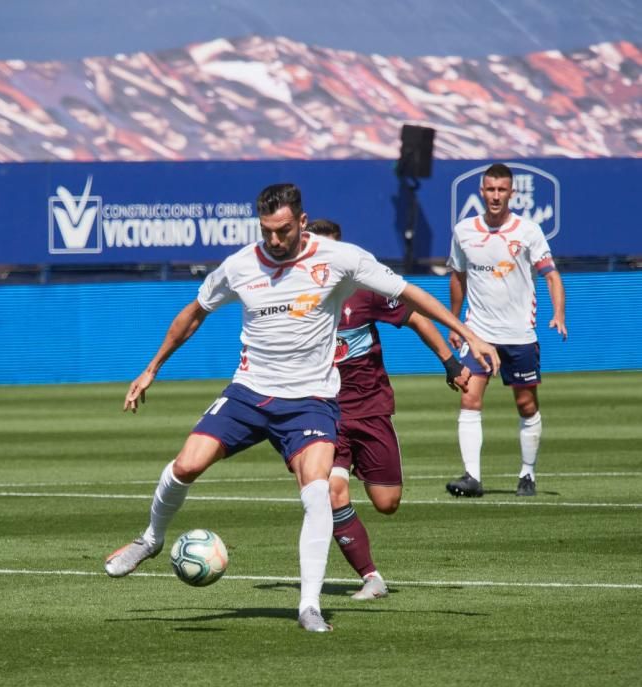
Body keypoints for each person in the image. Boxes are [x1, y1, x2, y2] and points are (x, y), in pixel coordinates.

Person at [104, 183, 499, 632]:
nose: (275, 240)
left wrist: (469, 336)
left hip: (310, 401)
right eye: (267, 231)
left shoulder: (339, 259)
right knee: (185, 466)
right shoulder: (239, 265)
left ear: (302, 222)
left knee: (316, 491)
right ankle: (151, 538)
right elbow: (195, 312)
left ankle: (308, 606)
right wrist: (152, 368)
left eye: (284, 230)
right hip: (249, 392)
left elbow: (410, 295)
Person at [306, 219, 470, 600]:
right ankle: (371, 577)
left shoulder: (365, 289)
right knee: (331, 492)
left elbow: (415, 317)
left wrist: (450, 363)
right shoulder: (296, 298)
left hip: (369, 408)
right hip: (322, 414)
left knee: (387, 502)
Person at [444, 163, 567, 498]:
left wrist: (558, 313)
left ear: (511, 193)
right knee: (469, 397)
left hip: (519, 335)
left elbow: (551, 275)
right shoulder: (464, 230)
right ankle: (472, 477)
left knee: (526, 404)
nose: (495, 195)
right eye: (490, 189)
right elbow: (458, 276)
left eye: (501, 190)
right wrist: (455, 323)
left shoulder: (528, 231)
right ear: (481, 192)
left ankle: (527, 474)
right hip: (478, 333)